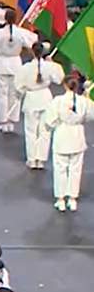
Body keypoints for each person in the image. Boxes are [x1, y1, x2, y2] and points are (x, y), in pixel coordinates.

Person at [43, 76, 94, 212]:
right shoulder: (84, 101)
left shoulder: (58, 101)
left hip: (62, 136)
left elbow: (50, 120)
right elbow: (91, 115)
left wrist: (52, 126)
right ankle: (72, 199)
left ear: (65, 85)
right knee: (75, 169)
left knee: (60, 168)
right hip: (77, 137)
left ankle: (60, 199)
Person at [16, 42, 65, 169]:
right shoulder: (49, 66)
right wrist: (52, 63)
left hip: (31, 98)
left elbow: (18, 86)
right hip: (45, 98)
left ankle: (32, 159)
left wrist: (20, 94)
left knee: (31, 130)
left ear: (32, 52)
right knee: (45, 130)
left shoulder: (25, 68)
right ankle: (41, 159)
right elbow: (59, 79)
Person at [0, 10, 36, 134]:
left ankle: (3, 121)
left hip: (2, 63)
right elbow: (33, 41)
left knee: (2, 94)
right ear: (16, 19)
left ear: (5, 19)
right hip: (16, 64)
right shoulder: (21, 33)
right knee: (14, 94)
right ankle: (12, 121)